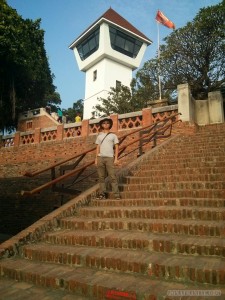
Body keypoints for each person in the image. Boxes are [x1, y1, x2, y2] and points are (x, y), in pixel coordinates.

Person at [95, 118, 121, 200]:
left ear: (110, 125)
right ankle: (102, 194)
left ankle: (117, 194)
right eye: (104, 123)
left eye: (107, 123)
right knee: (101, 177)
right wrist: (96, 158)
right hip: (100, 157)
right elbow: (97, 147)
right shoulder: (99, 136)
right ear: (101, 125)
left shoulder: (113, 135)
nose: (106, 124)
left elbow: (117, 147)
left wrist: (116, 158)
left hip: (110, 157)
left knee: (112, 176)